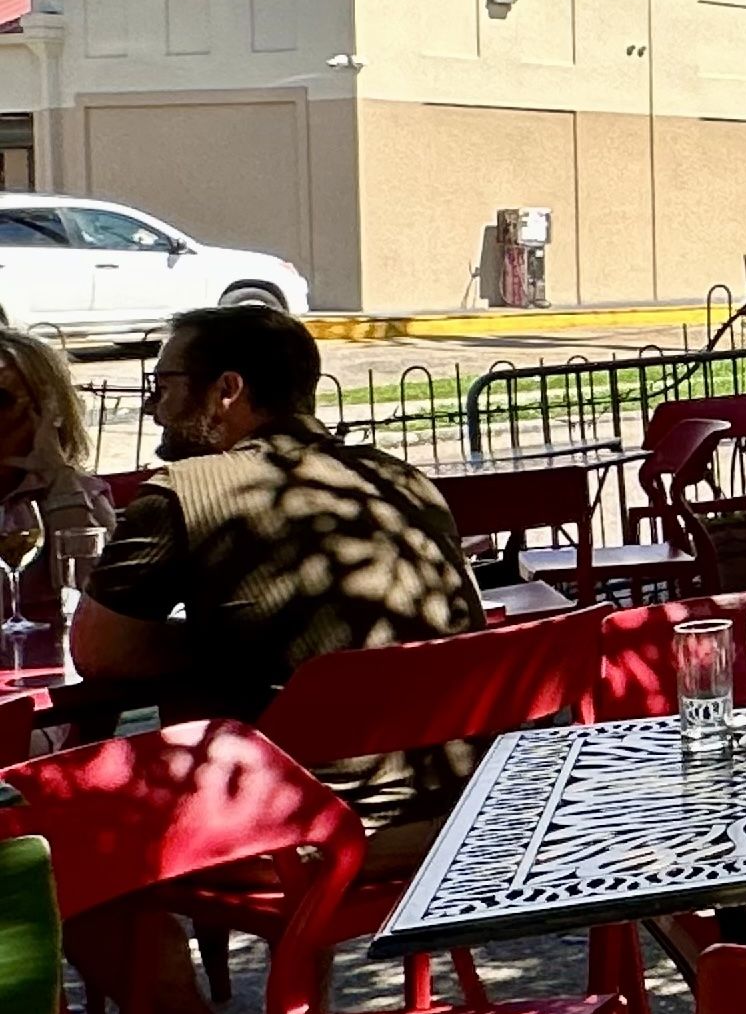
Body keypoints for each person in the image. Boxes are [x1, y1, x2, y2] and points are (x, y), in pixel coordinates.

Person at [73, 302, 479, 720]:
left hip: (292, 756)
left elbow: (100, 651)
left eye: (162, 387)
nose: (151, 407)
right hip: (454, 750)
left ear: (227, 390)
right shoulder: (401, 478)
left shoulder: (182, 490)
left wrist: (226, 640)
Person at [0, 324, 108, 629]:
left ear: (48, 413)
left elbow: (96, 598)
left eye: (1, 400)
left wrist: (59, 479)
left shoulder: (81, 495)